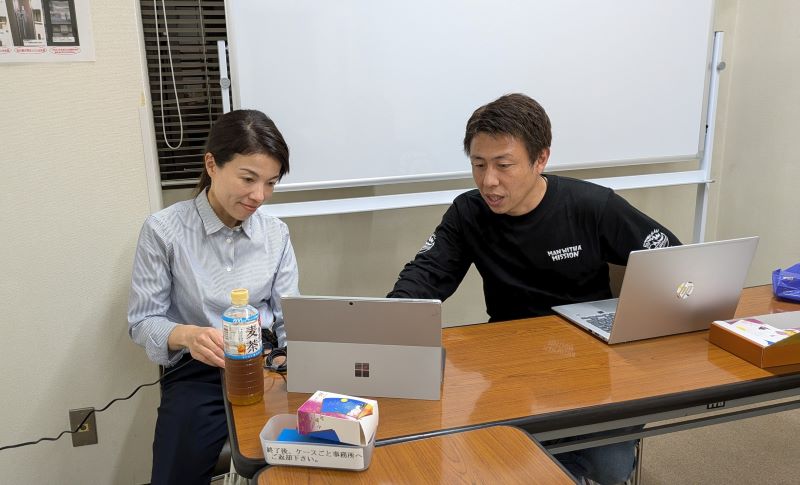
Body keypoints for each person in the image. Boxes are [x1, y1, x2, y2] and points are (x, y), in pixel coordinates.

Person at [388, 93, 680, 484]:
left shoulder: (591, 206)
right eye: (478, 164)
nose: (488, 181)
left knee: (608, 469)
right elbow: (426, 275)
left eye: (503, 165)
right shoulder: (469, 212)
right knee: (478, 455)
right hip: (510, 364)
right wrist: (391, 319)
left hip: (590, 365)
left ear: (540, 159)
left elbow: (671, 259)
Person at [127, 109, 299, 485]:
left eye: (270, 183)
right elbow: (142, 321)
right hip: (199, 370)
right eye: (248, 179)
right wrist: (187, 335)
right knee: (176, 472)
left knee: (303, 458)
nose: (259, 196)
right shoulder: (164, 231)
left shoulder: (275, 233)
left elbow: (289, 315)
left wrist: (293, 360)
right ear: (212, 165)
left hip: (266, 360)